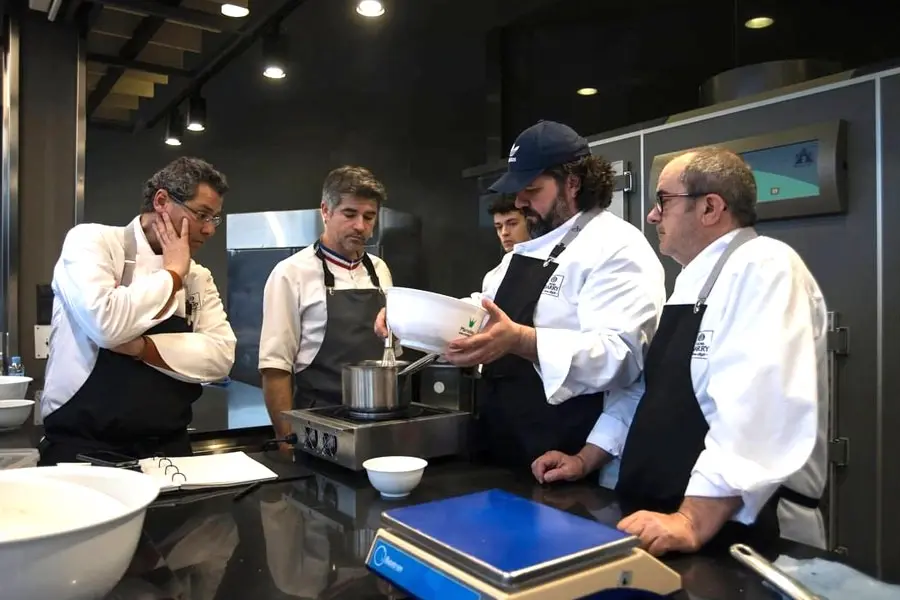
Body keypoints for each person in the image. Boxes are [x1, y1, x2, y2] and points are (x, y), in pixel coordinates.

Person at [532, 147, 828, 555]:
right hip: (670, 521)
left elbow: (755, 410)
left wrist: (691, 519)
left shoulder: (766, 266)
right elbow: (649, 393)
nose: (652, 215)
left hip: (743, 532)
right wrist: (586, 458)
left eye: (663, 201)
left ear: (710, 207)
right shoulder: (690, 284)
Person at [375, 120, 666, 471]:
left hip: (567, 453)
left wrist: (521, 340)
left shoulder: (616, 248)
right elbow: (481, 312)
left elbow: (620, 358)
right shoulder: (524, 252)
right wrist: (409, 316)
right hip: (505, 441)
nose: (519, 202)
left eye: (531, 189)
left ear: (572, 183)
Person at [39, 157, 236, 465]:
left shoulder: (198, 276)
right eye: (202, 214)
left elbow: (222, 357)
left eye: (215, 219)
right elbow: (106, 324)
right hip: (82, 450)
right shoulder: (92, 242)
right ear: (161, 201)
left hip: (169, 452)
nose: (209, 229)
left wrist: (141, 347)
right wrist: (171, 274)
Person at [259, 166, 397, 447]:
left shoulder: (380, 270)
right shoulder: (290, 273)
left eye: (369, 217)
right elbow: (275, 369)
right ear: (326, 211)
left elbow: (392, 350)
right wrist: (286, 440)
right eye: (350, 214)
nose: (361, 225)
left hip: (378, 421)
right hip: (318, 426)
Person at [483, 194, 530, 291]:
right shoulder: (492, 278)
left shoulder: (551, 267)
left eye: (512, 224)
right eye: (499, 227)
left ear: (530, 222)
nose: (504, 232)